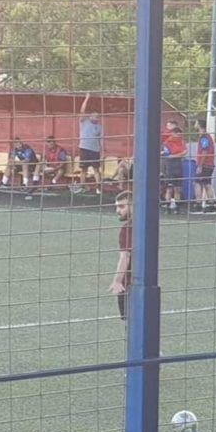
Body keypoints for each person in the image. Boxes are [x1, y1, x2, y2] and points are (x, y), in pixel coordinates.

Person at [109, 191, 132, 321]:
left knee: (130, 324)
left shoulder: (127, 229)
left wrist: (117, 281)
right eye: (117, 207)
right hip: (145, 279)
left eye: (122, 206)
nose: (118, 211)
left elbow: (125, 257)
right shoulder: (147, 224)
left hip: (129, 284)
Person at [76, 93, 104, 194]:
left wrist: (102, 152)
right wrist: (87, 98)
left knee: (96, 169)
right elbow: (82, 110)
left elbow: (101, 140)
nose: (97, 118)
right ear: (90, 116)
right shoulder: (84, 121)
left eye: (98, 117)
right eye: (95, 116)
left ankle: (98, 188)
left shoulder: (100, 127)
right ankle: (82, 186)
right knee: (83, 169)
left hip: (95, 150)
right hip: (84, 148)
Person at [160, 122, 187, 213]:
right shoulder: (167, 143)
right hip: (170, 167)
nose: (179, 136)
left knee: (178, 189)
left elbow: (185, 152)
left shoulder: (181, 142)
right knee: (169, 188)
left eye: (180, 135)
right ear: (173, 133)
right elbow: (167, 156)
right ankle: (168, 208)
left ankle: (177, 208)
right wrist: (179, 154)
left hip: (178, 166)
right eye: (177, 134)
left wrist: (177, 155)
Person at [193, 118, 216, 214]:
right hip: (209, 164)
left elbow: (204, 151)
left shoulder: (204, 137)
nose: (195, 124)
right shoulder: (205, 137)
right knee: (207, 184)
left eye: (196, 123)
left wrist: (200, 165)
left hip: (205, 164)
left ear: (200, 125)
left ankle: (198, 204)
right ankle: (211, 205)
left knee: (198, 183)